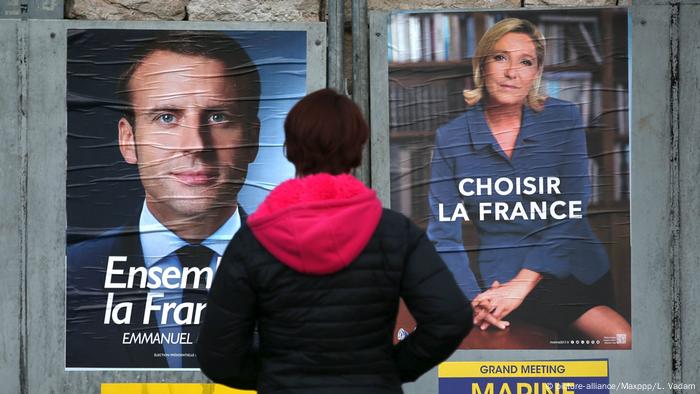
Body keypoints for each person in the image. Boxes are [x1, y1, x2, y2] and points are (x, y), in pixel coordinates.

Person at [196, 89, 472, 393]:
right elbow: (451, 319)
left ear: (289, 148)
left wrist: (275, 377)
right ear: (358, 147)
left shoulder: (253, 239)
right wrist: (392, 370)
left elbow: (217, 355)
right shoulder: (395, 232)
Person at [427, 18, 631, 348]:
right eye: (500, 58)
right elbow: (444, 235)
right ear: (482, 65)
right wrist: (474, 301)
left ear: (536, 73)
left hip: (569, 265)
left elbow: (570, 212)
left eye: (526, 62)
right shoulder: (451, 138)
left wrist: (522, 284)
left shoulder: (564, 119)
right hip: (501, 277)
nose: (512, 72)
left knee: (620, 341)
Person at [66, 31, 261, 368]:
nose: (196, 144)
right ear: (128, 141)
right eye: (166, 118)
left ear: (253, 139)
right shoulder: (68, 275)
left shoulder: (307, 273)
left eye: (218, 117)